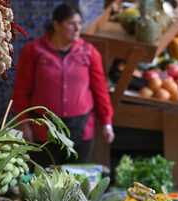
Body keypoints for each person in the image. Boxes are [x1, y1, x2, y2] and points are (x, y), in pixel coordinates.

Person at [12, 3, 114, 167]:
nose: (77, 28)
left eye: (79, 23)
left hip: (80, 128)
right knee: (45, 180)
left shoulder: (89, 52)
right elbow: (21, 91)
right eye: (71, 23)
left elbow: (100, 91)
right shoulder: (34, 51)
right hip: (44, 128)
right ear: (56, 25)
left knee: (77, 180)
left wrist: (106, 123)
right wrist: (24, 124)